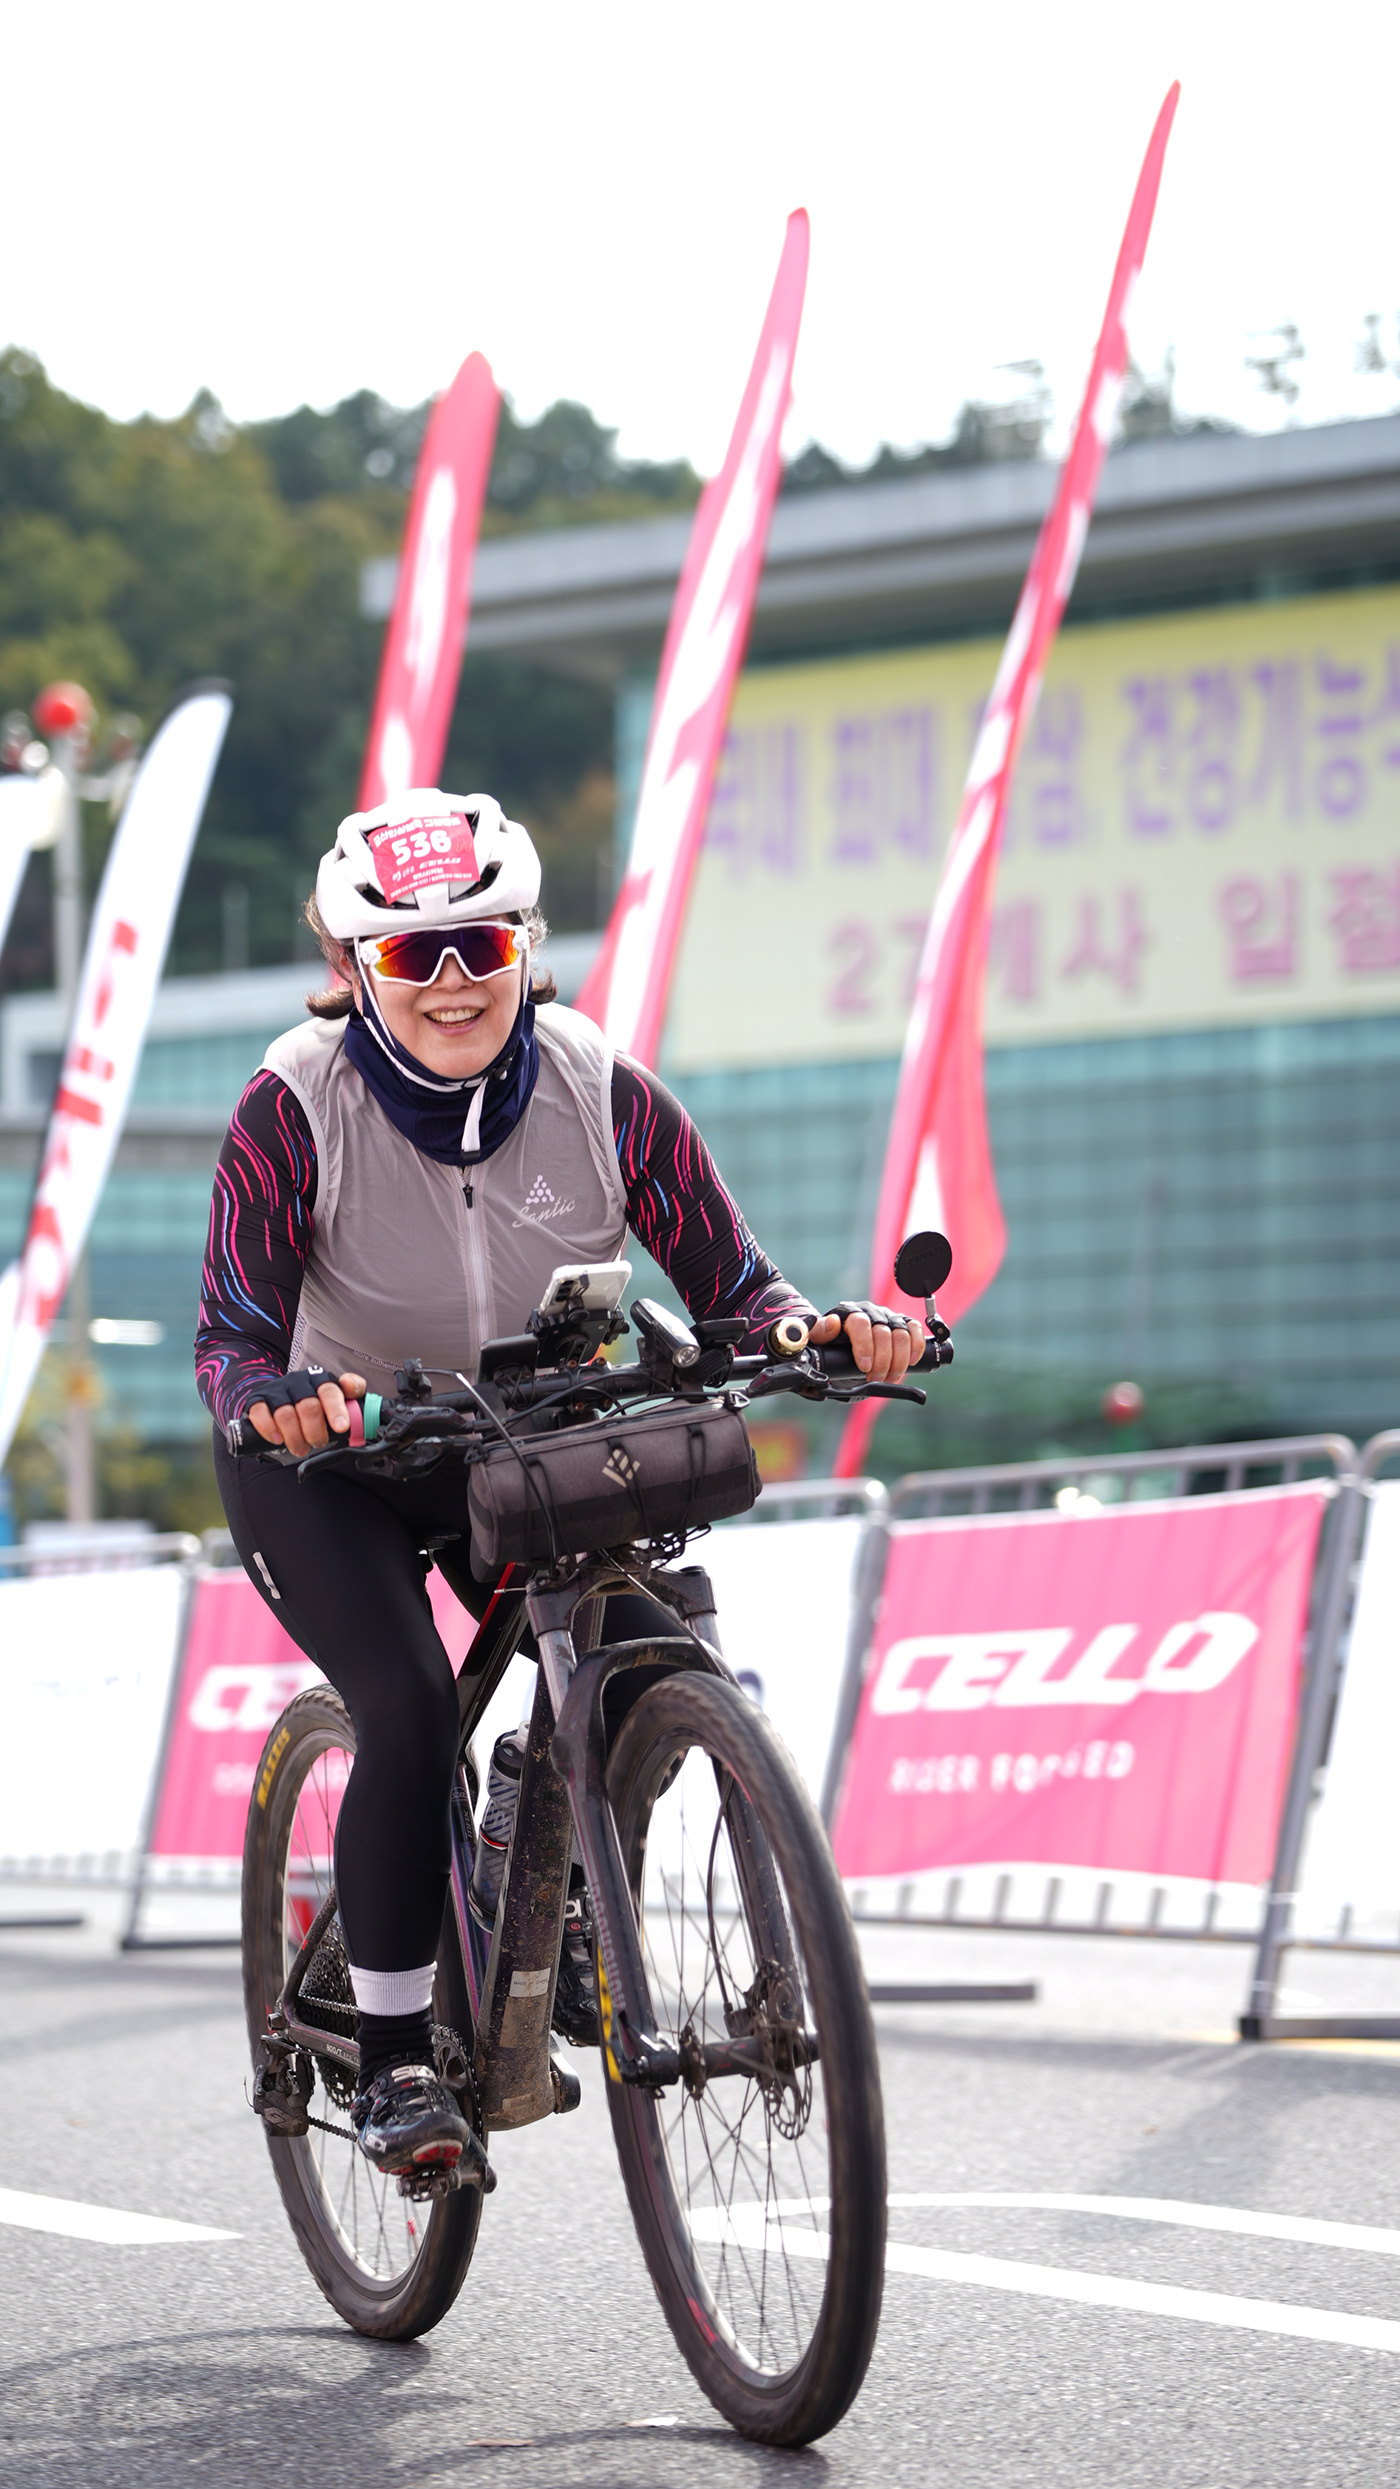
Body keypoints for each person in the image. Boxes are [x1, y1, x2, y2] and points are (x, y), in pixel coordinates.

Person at [196, 788, 923, 2181]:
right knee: (409, 1704)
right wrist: (268, 1399)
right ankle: (398, 2061)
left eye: (481, 944)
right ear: (352, 967)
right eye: (412, 955)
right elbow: (230, 1334)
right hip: (336, 1462)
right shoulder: (292, 1104)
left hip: (520, 1443)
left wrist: (827, 1331)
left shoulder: (605, 1089)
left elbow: (740, 1288)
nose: (453, 981)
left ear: (527, 943)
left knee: (648, 1654)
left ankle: (559, 1873)